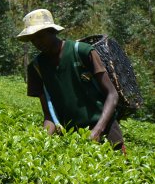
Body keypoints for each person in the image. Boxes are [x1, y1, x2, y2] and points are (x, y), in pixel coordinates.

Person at [17, 9, 125, 151]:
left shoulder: (82, 52)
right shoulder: (36, 68)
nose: (37, 42)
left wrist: (97, 131)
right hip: (73, 137)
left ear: (52, 31)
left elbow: (112, 94)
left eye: (41, 36)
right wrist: (42, 142)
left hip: (106, 130)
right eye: (33, 39)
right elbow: (49, 114)